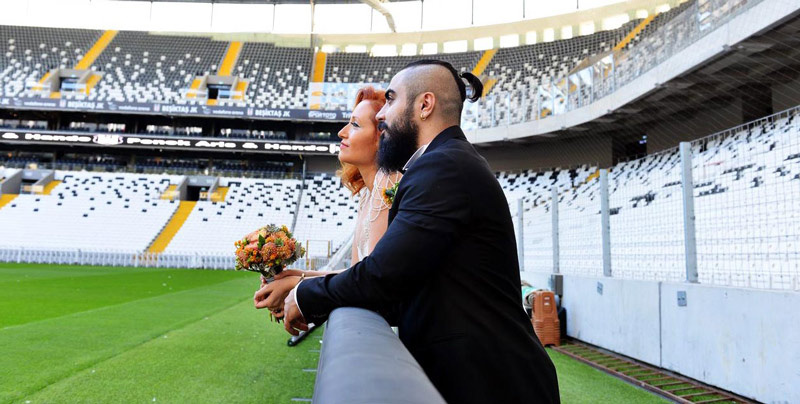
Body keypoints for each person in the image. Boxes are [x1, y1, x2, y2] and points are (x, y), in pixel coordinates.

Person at [280, 59, 560, 403]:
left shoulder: (443, 167)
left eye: (392, 100)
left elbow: (383, 275)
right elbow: (407, 290)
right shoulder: (440, 164)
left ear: (424, 105)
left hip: (496, 384)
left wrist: (305, 296)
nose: (382, 115)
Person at [253, 86, 400, 317]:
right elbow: (354, 272)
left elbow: (369, 282)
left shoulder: (388, 183)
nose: (342, 132)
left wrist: (296, 288)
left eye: (355, 125)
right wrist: (294, 276)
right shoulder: (367, 194)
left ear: (380, 138)